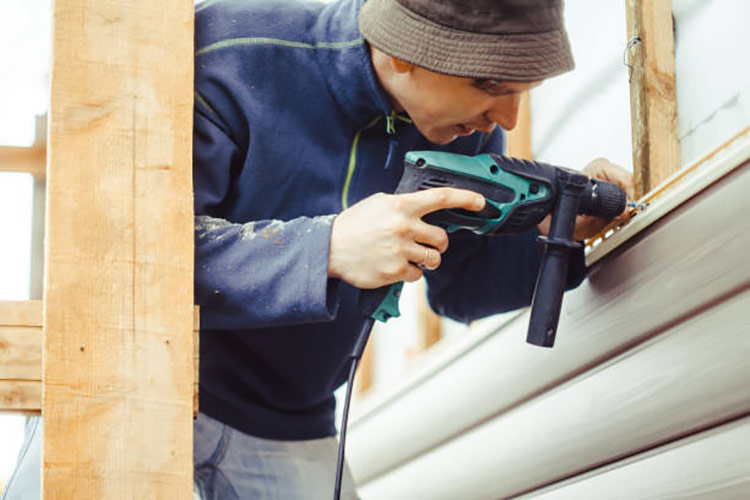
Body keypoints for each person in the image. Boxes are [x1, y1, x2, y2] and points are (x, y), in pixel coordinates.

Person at [1, 0, 633, 499]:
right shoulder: (227, 57)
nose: (508, 118)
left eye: (523, 89)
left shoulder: (466, 131)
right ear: (402, 50)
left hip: (291, 420)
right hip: (131, 387)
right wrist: (325, 249)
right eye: (490, 84)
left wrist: (558, 240)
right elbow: (117, 262)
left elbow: (461, 290)